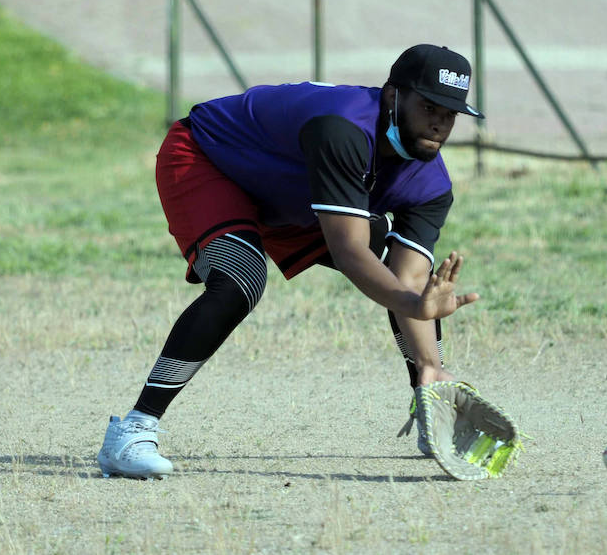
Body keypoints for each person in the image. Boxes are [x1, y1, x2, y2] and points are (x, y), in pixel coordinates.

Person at [97, 44, 485, 479]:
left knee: (402, 277)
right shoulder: (343, 129)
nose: (439, 122)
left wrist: (430, 365)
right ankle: (133, 429)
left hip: (291, 186)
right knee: (240, 279)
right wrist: (413, 303)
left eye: (451, 114)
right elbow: (350, 252)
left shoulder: (431, 185)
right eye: (429, 105)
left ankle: (428, 397)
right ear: (394, 96)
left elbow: (409, 281)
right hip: (211, 160)